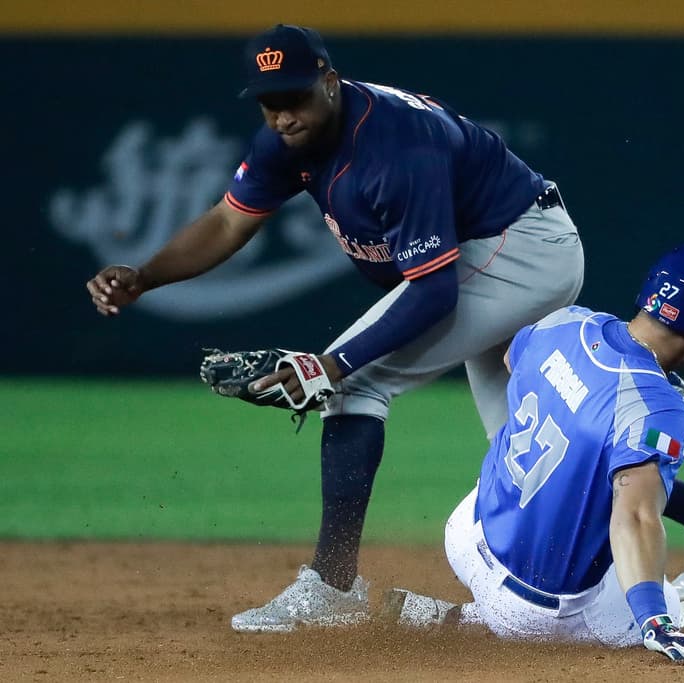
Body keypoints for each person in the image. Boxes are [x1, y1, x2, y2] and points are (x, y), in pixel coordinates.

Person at [84, 24, 585, 632]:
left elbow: (432, 291)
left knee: (353, 386)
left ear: (328, 80)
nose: (282, 115)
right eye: (269, 101)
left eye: (294, 96)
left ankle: (332, 587)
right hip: (506, 246)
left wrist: (333, 366)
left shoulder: (396, 149)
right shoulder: (287, 137)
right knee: (522, 448)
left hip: (519, 248)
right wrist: (145, 276)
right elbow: (227, 222)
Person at [386, 242, 684, 665]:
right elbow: (637, 518)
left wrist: (582, 398)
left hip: (465, 535)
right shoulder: (660, 408)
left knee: (587, 463)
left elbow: (511, 358)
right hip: (534, 612)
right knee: (661, 594)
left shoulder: (567, 322)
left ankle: (475, 615)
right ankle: (474, 620)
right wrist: (656, 621)